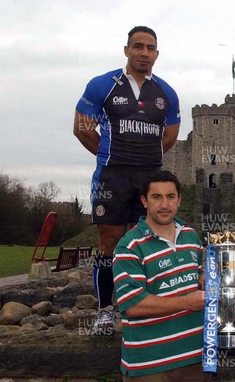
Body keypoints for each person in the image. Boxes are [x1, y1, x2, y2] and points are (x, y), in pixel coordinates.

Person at [73, 26, 181, 334]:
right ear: (127, 50)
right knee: (110, 243)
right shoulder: (102, 85)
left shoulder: (166, 92)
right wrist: (110, 155)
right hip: (112, 176)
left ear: (156, 54)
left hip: (150, 177)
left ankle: (150, 308)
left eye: (150, 48)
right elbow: (82, 128)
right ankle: (106, 310)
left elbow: (170, 136)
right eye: (138, 46)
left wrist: (144, 158)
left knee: (151, 241)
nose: (144, 52)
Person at [112, 170, 208, 381]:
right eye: (156, 197)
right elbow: (133, 305)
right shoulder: (129, 245)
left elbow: (194, 274)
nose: (165, 205)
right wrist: (186, 302)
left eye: (170, 197)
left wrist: (205, 279)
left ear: (179, 200)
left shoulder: (191, 236)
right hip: (150, 366)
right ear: (144, 201)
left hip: (196, 361)